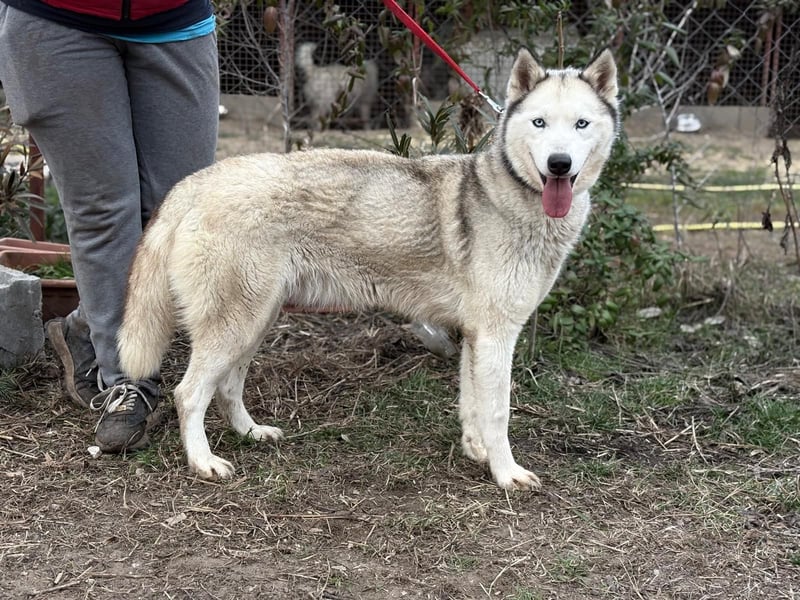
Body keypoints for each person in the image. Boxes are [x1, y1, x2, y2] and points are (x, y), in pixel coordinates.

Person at [0, 0, 220, 452]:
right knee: (103, 210)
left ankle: (85, 328)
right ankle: (128, 383)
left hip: (174, 20)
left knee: (177, 210)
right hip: (56, 20)